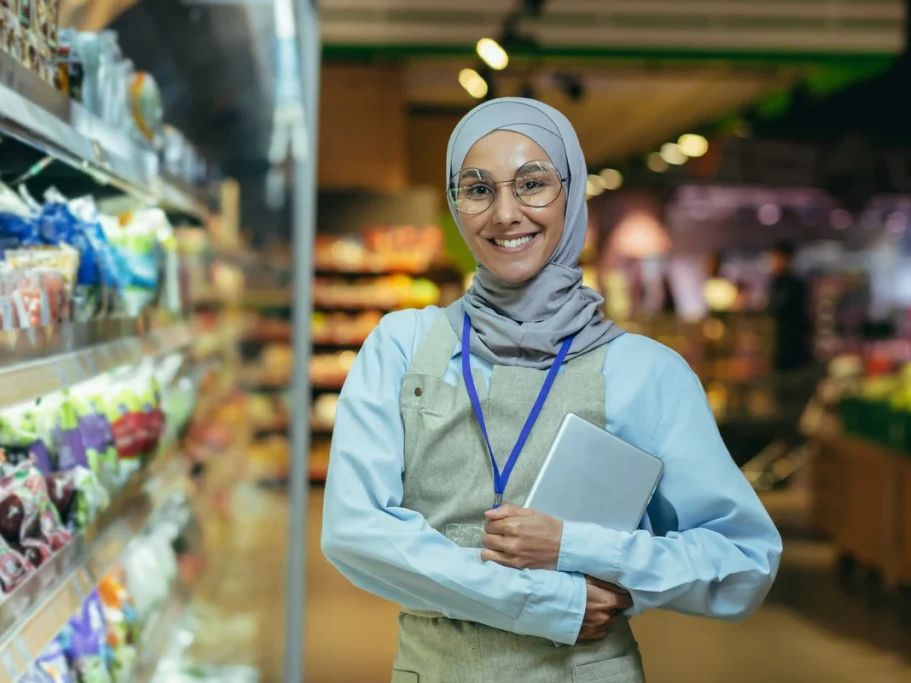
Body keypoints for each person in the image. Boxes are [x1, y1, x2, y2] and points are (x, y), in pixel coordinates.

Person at [321, 98, 782, 683]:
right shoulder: (404, 347)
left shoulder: (644, 372)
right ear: (454, 203)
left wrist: (576, 546)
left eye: (533, 184)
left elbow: (743, 564)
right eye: (478, 188)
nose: (506, 213)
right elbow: (353, 530)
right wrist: (543, 604)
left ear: (572, 191)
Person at [766, 241, 812, 372]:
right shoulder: (777, 282)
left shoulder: (792, 284)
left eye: (776, 258)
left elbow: (776, 308)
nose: (774, 262)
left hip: (791, 343)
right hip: (781, 342)